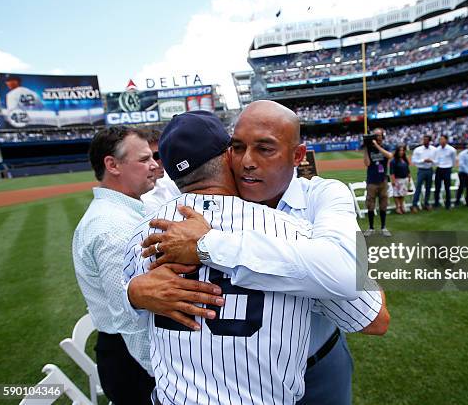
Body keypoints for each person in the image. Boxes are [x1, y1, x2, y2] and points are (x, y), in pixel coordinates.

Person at [124, 110, 389, 405]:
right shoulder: (294, 232)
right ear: (227, 156)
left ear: (297, 155)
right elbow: (369, 311)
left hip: (318, 360)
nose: (248, 160)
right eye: (238, 148)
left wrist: (208, 243)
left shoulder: (145, 233)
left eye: (264, 149)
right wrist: (134, 293)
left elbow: (366, 305)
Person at [72, 126, 158, 404]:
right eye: (144, 159)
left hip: (128, 354)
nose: (154, 165)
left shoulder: (122, 213)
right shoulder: (112, 228)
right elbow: (129, 320)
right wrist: (161, 373)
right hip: (134, 362)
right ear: (112, 164)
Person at [141, 128, 181, 215]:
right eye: (157, 155)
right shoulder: (144, 199)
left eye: (164, 153)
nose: (163, 160)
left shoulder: (169, 181)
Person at [362, 128, 393, 236]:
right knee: (370, 204)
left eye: (379, 135)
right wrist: (366, 147)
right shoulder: (369, 149)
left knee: (383, 204)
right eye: (375, 135)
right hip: (371, 180)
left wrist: (377, 146)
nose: (377, 137)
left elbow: (389, 156)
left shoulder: (385, 147)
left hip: (383, 180)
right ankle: (371, 228)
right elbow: (367, 163)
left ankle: (383, 227)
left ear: (382, 136)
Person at [410, 135, 437, 213]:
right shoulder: (418, 150)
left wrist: (432, 161)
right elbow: (414, 160)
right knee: (418, 188)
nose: (425, 141)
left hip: (430, 170)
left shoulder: (434, 149)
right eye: (424, 140)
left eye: (427, 140)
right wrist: (423, 160)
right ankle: (414, 205)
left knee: (428, 188)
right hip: (421, 170)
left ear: (429, 141)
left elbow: (436, 159)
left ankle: (426, 203)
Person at [433, 135, 456, 209]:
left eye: (443, 139)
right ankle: (436, 203)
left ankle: (448, 204)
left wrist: (449, 167)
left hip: (447, 169)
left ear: (446, 140)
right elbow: (436, 159)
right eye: (440, 140)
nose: (441, 141)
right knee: (437, 187)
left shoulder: (451, 150)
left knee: (447, 187)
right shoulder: (437, 149)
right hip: (439, 169)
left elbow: (453, 160)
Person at [389, 144, 410, 214]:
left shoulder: (404, 160)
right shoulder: (393, 161)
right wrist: (393, 180)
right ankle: (397, 207)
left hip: (405, 179)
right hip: (397, 179)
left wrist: (409, 177)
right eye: (400, 150)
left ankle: (402, 206)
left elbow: (407, 169)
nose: (401, 152)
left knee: (402, 194)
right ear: (397, 151)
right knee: (396, 194)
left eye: (403, 150)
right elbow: (391, 172)